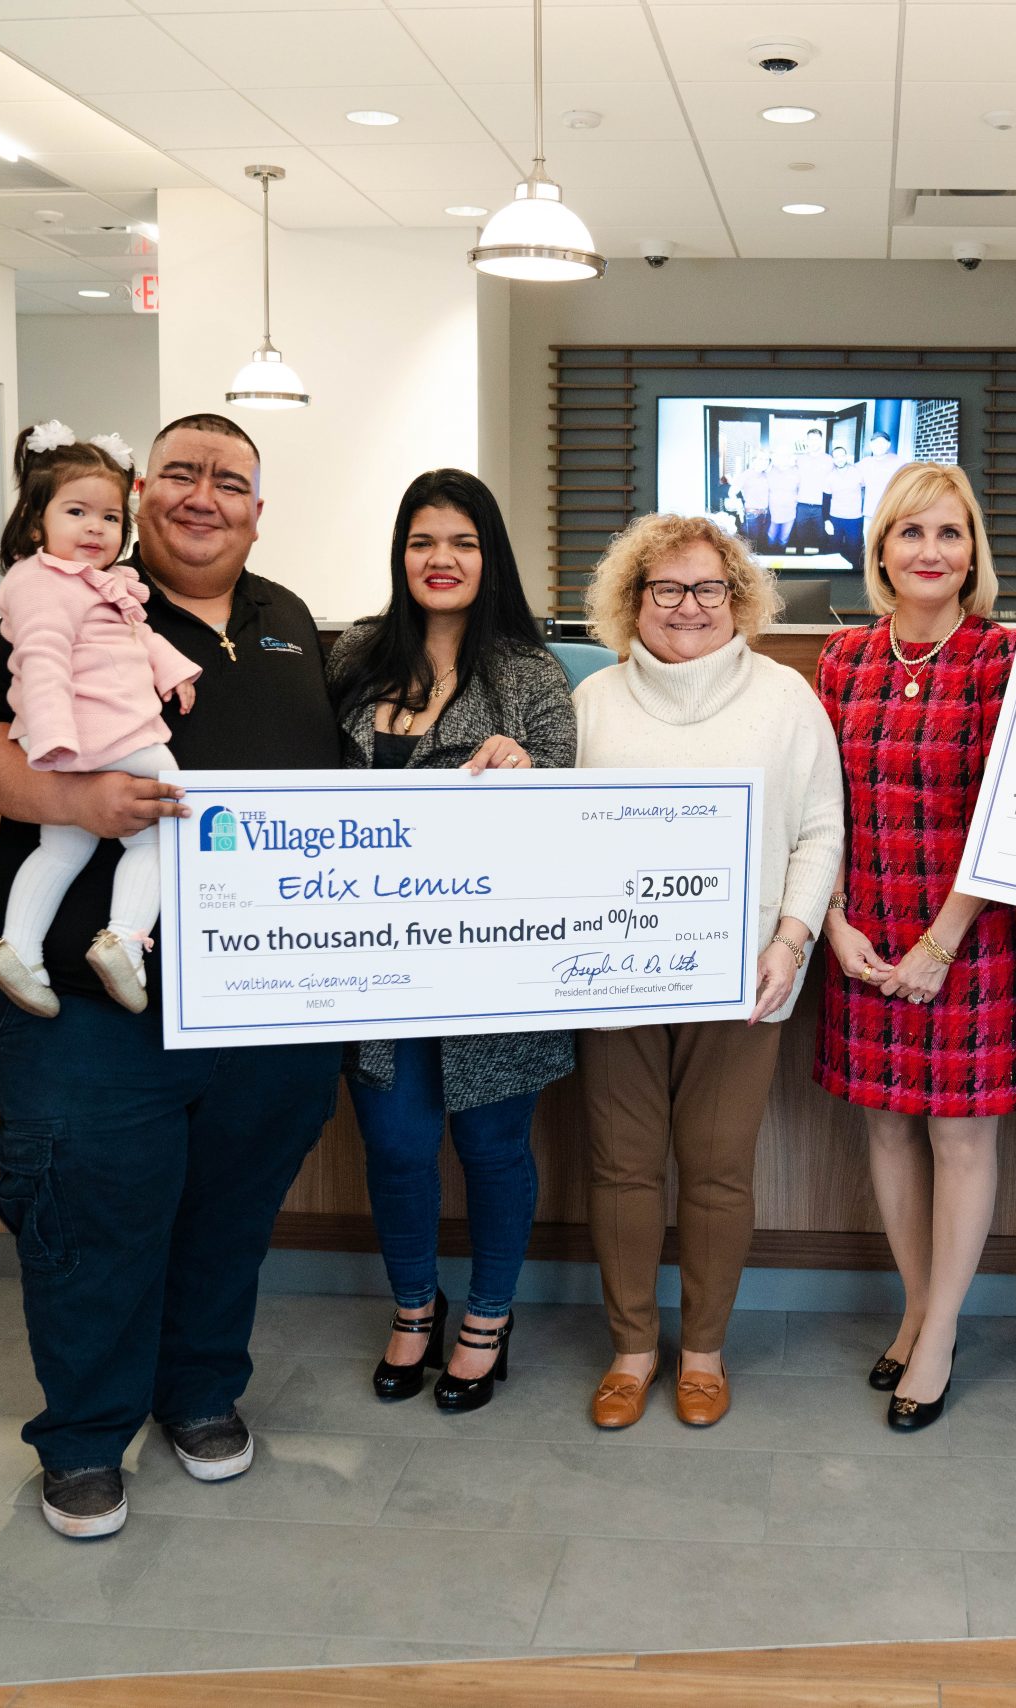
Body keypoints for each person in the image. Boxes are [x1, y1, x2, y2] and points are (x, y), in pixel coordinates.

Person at [0, 413, 345, 1540]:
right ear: (135, 492)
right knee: (91, 1213)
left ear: (259, 509)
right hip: (83, 997)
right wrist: (68, 801)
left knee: (228, 1211)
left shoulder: (289, 622)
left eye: (230, 480)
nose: (201, 496)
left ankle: (199, 1393)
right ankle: (83, 1436)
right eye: (178, 474)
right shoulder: (67, 586)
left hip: (264, 993)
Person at [574, 514, 845, 1429]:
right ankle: (631, 1350)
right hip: (612, 973)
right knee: (621, 1167)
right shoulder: (593, 702)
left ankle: (702, 1353)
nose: (688, 608)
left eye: (708, 589)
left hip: (745, 980)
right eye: (666, 590)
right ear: (632, 601)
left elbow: (820, 830)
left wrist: (792, 939)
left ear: (738, 599)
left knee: (719, 1169)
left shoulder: (785, 699)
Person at [329, 468, 576, 1415]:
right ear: (401, 554)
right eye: (423, 541)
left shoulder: (530, 671)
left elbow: (570, 818)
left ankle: (487, 1318)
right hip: (374, 955)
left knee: (491, 1146)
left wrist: (528, 769)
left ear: (490, 555)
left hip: (492, 963)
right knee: (393, 1145)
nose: (442, 559)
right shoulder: (352, 655)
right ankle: (411, 1306)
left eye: (463, 542)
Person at [816, 461, 1016, 1432]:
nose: (930, 552)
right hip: (864, 929)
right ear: (882, 552)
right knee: (888, 1127)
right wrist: (832, 922)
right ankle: (914, 1303)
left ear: (973, 550)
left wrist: (943, 940)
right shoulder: (842, 659)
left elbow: (1009, 817)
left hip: (967, 935)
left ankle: (939, 1330)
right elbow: (818, 808)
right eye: (911, 533)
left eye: (949, 533)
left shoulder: (1000, 658)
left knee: (958, 1135)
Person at [0, 423, 197, 1017]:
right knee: (166, 828)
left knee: (61, 849)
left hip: (87, 741)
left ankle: (19, 947)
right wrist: (51, 741)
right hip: (111, 735)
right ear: (33, 523)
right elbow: (41, 664)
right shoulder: (43, 588)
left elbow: (134, 636)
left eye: (109, 518)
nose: (97, 528)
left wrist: (174, 671)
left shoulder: (92, 585)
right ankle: (125, 938)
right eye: (77, 512)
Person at [790, 429, 832, 553]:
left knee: (822, 538)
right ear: (807, 441)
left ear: (821, 440)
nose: (813, 442)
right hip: (802, 505)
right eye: (811, 439)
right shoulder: (799, 459)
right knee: (800, 538)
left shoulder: (829, 459)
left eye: (816, 439)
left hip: (821, 507)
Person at [825, 443, 867, 560]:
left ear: (846, 457)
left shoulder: (858, 472)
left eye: (842, 456)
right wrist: (826, 520)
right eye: (836, 457)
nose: (839, 459)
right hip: (835, 518)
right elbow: (826, 499)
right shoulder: (830, 476)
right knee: (833, 550)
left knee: (854, 549)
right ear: (833, 459)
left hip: (854, 518)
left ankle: (852, 575)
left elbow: (866, 490)